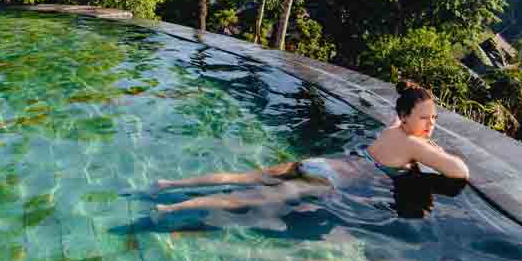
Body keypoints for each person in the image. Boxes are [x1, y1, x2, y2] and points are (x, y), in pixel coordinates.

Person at [151, 80, 469, 213]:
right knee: (249, 197)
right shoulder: (416, 145)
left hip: (322, 163)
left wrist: (423, 136)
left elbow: (402, 134)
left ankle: (170, 184)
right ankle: (171, 208)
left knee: (245, 177)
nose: (431, 124)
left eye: (434, 118)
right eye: (425, 118)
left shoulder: (392, 129)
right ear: (404, 115)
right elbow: (459, 172)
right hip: (328, 179)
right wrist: (436, 151)